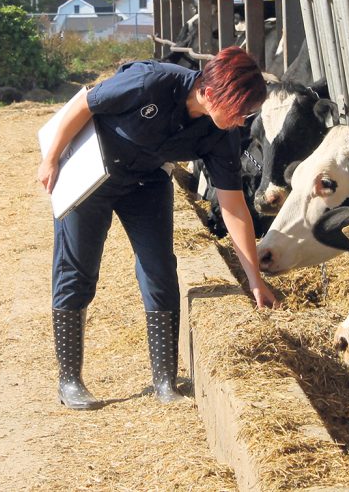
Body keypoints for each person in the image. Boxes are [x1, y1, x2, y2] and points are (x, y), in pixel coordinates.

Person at [37, 47, 277, 410]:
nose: (242, 121)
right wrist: (51, 158)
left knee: (160, 269)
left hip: (146, 183)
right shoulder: (150, 82)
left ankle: (165, 381)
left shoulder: (221, 133)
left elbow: (234, 206)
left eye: (248, 113)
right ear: (210, 94)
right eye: (239, 110)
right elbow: (85, 103)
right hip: (93, 172)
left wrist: (255, 279)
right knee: (78, 268)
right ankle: (70, 380)